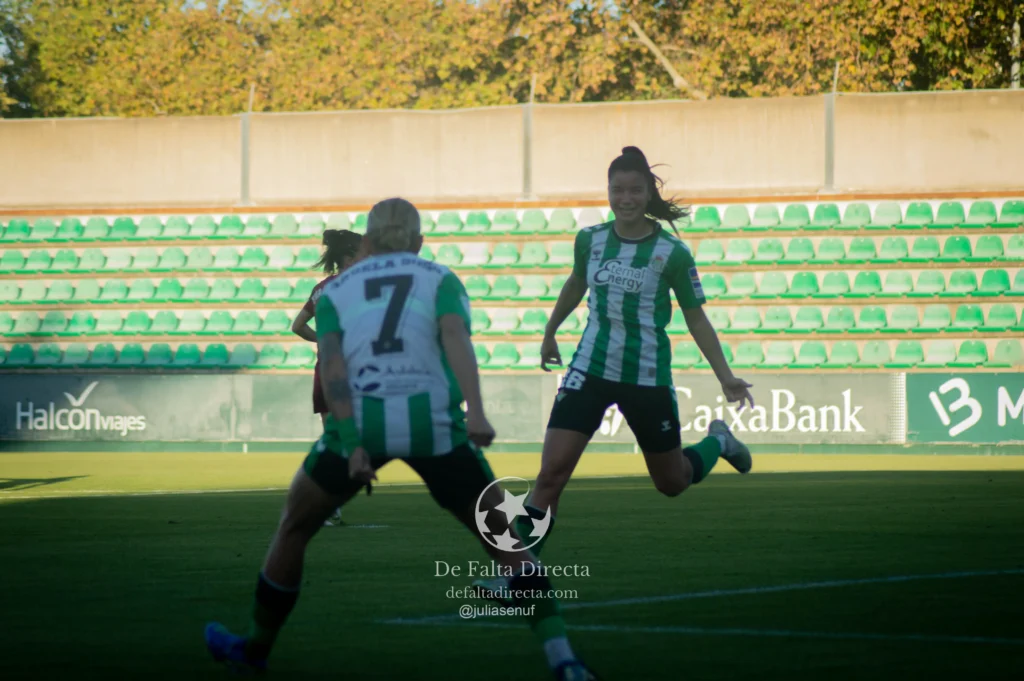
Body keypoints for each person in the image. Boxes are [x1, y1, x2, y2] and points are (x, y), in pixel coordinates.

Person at [205, 198, 599, 681]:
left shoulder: (335, 292)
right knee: (506, 541)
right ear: (419, 242)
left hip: (363, 423)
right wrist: (476, 412)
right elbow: (456, 340)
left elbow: (332, 369)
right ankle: (565, 662)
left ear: (366, 242)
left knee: (294, 527)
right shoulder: (441, 280)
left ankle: (255, 648)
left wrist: (351, 444)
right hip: (433, 425)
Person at [479, 147, 755, 597]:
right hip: (589, 369)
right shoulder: (589, 239)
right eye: (617, 189)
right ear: (608, 191)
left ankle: (718, 441)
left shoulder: (673, 254)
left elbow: (696, 317)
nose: (625, 198)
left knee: (671, 483)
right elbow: (575, 283)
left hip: (646, 377)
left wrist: (725, 375)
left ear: (649, 193)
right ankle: (518, 577)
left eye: (634, 190)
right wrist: (551, 331)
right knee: (551, 475)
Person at [291, 227, 364, 526]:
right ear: (349, 257)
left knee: (332, 439)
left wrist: (322, 340)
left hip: (325, 369)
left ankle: (326, 503)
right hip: (351, 370)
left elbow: (297, 326)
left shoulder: (320, 289)